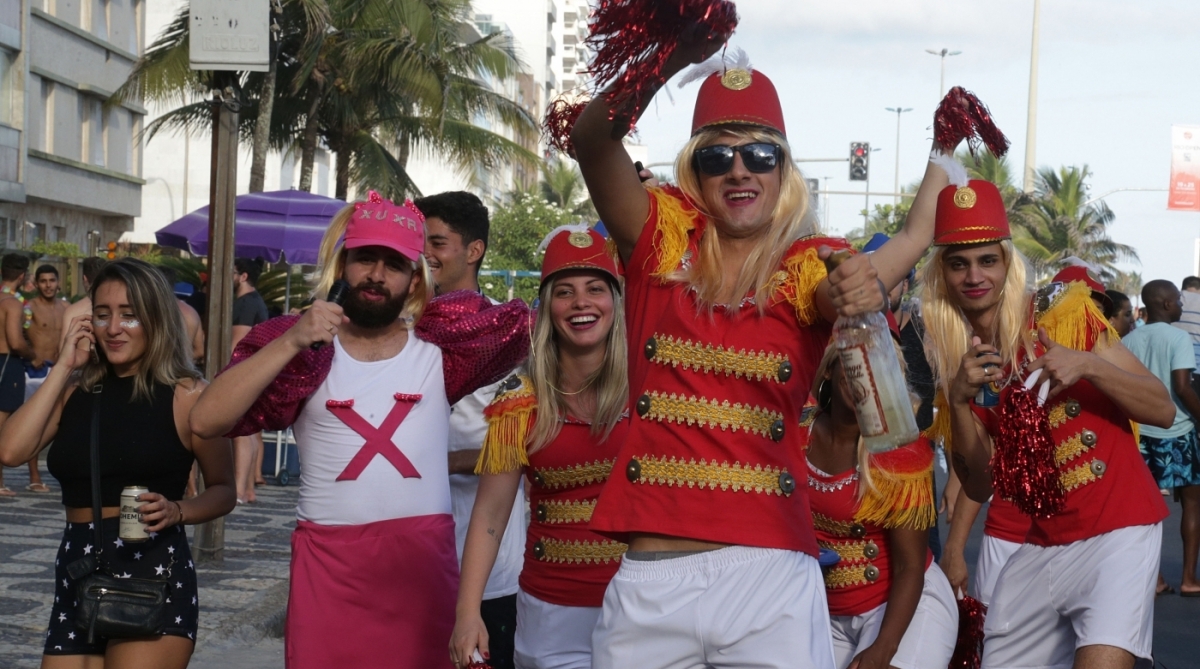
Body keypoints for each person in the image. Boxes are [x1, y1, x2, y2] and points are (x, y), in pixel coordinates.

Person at [570, 42, 948, 665]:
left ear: (783, 171)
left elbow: (897, 247)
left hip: (769, 579)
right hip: (649, 580)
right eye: (718, 156)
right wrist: (667, 51)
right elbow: (592, 140)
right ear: (695, 169)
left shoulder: (806, 269)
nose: (739, 170)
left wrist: (854, 280)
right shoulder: (658, 241)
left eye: (760, 154)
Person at [189, 192, 532, 669]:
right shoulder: (303, 348)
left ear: (415, 277)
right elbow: (206, 421)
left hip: (421, 569)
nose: (376, 274)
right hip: (328, 567)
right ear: (342, 263)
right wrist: (291, 338)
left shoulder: (442, 351)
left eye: (393, 264)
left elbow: (548, 331)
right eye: (365, 258)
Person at [922, 168, 1172, 669]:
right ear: (943, 275)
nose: (975, 276)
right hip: (1037, 544)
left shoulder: (1066, 314)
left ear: (1007, 262)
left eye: (987, 260)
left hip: (1118, 530)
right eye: (960, 264)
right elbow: (979, 480)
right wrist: (960, 402)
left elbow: (1162, 408)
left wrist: (1089, 365)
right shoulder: (954, 359)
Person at [0, 258, 236, 666]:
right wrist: (64, 368)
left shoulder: (187, 394)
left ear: (156, 318)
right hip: (80, 567)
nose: (112, 328)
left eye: (129, 316)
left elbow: (223, 489)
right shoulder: (76, 390)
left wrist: (179, 510)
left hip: (152, 572)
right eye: (103, 314)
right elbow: (10, 452)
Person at [451, 227, 628, 669]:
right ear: (548, 306)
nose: (581, 303)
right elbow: (490, 516)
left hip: (642, 604)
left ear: (616, 303)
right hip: (550, 612)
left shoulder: (650, 390)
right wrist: (467, 611)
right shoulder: (519, 399)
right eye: (565, 292)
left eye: (596, 290)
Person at [419, 190, 525, 669]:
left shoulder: (508, 332)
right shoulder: (397, 329)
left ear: (474, 251)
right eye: (419, 242)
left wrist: (439, 464)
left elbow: (524, 447)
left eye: (438, 243)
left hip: (490, 567)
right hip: (411, 556)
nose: (425, 254)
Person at [805, 342, 957, 669]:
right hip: (826, 612)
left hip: (902, 607)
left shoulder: (898, 450)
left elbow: (909, 568)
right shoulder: (794, 430)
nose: (865, 376)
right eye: (854, 362)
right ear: (829, 368)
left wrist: (883, 649)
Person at [1122, 280, 1200, 597]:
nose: (1182, 305)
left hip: (1142, 433)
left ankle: (1152, 578)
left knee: (1143, 511)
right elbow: (1182, 387)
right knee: (1192, 506)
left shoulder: (1129, 340)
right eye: (1178, 301)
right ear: (1166, 304)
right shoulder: (1178, 338)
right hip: (1178, 431)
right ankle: (1188, 578)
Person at [231, 258, 270, 504]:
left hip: (242, 374)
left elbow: (237, 344)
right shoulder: (255, 302)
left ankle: (239, 490)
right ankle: (247, 489)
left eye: (231, 272)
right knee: (251, 433)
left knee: (241, 433)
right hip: (254, 373)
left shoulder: (246, 304)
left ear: (243, 276)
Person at [0, 254, 38, 497]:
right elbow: (15, 341)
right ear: (23, 276)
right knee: (3, 423)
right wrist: (32, 355)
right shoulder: (11, 303)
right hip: (6, 362)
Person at [60, 258, 108, 350]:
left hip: (82, 363)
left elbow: (63, 352)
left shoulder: (73, 311)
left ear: (85, 279)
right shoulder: (120, 304)